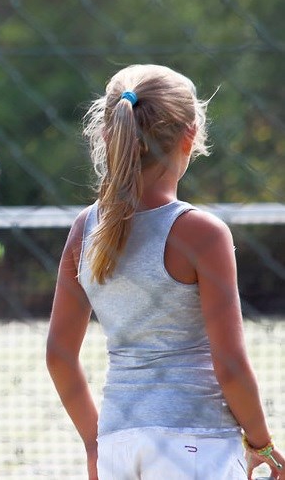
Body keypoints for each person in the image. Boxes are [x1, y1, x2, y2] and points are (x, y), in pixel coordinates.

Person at [46, 64, 284, 479]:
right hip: (197, 442)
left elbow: (59, 356)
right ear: (190, 137)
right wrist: (261, 442)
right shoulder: (201, 233)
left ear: (108, 135)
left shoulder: (85, 229)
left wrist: (94, 442)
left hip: (118, 444)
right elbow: (229, 364)